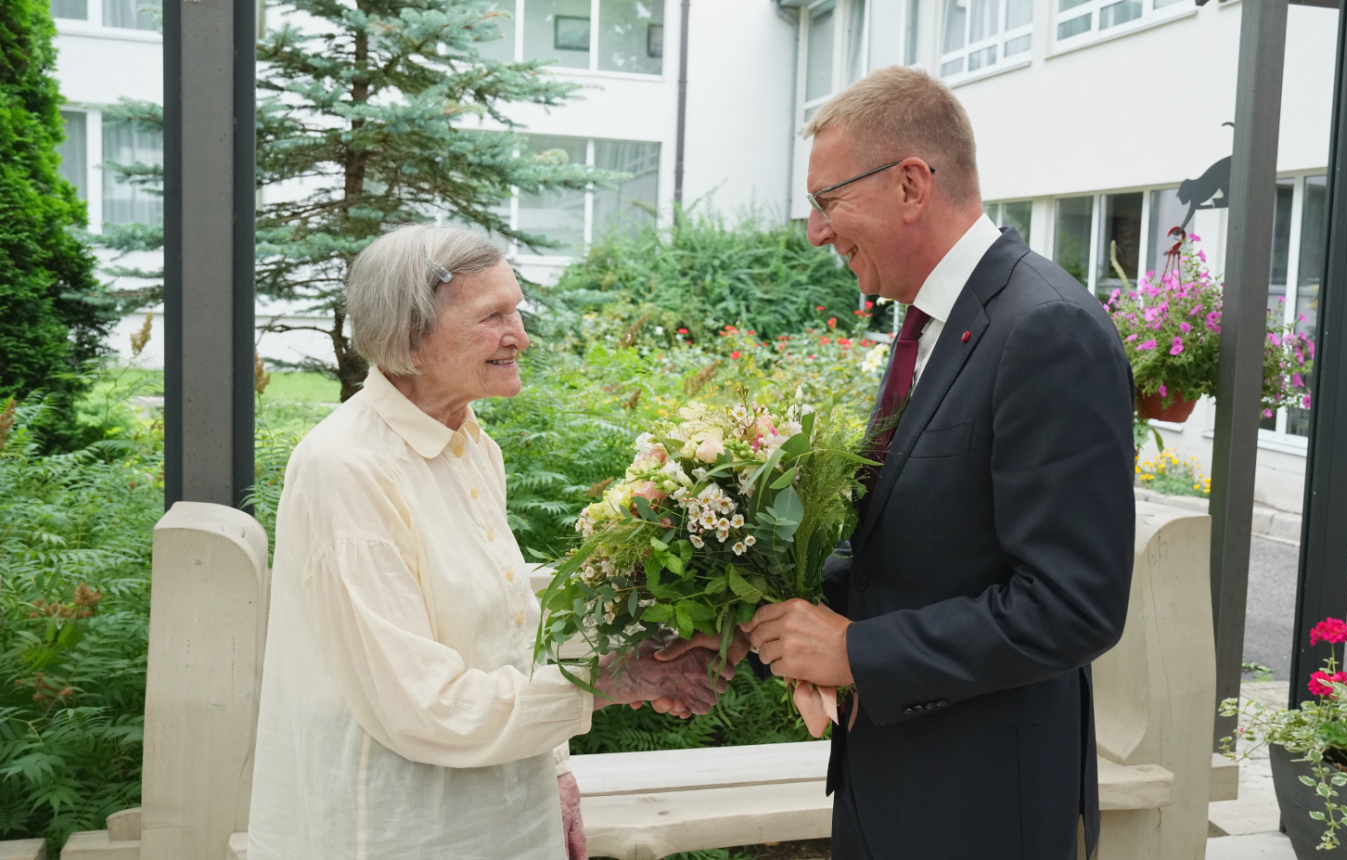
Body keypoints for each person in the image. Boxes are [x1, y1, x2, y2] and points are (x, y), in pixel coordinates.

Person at [668, 66, 1136, 858]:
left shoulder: (1045, 330)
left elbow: (1072, 606)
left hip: (980, 807)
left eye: (827, 200)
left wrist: (856, 652)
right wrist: (764, 611)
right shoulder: (934, 321)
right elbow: (917, 548)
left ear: (912, 184)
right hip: (890, 785)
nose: (816, 231)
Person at [246, 224, 726, 860]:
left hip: (508, 807)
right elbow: (421, 705)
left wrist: (556, 768)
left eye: (517, 312)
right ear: (410, 338)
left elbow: (506, 620)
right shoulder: (348, 467)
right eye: (492, 316)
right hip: (406, 828)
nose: (520, 337)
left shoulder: (470, 443)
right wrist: (614, 679)